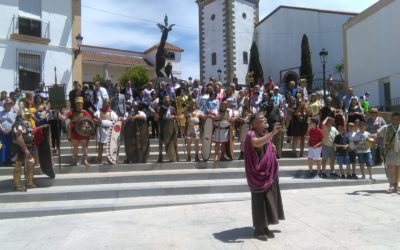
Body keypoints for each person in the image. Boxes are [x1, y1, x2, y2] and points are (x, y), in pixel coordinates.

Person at [244, 114, 284, 241]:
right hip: (258, 174)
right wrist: (272, 134)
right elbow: (257, 144)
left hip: (269, 172)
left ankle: (265, 226)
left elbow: (268, 147)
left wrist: (273, 148)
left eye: (265, 118)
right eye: (262, 118)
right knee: (259, 201)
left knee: (269, 198)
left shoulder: (265, 133)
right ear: (254, 123)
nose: (265, 119)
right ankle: (258, 229)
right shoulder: (251, 134)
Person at [11, 110, 38, 191]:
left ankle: (29, 183)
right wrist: (25, 150)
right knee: (18, 165)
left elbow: (31, 132)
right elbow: (19, 138)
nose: (29, 116)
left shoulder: (27, 123)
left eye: (29, 114)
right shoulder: (18, 124)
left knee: (31, 163)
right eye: (27, 114)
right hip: (19, 148)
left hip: (28, 147)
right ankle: (17, 185)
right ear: (22, 115)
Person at [376, 112, 400, 193]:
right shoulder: (386, 127)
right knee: (390, 169)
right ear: (391, 119)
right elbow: (377, 134)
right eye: (394, 119)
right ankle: (392, 185)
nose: (396, 120)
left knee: (398, 169)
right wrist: (370, 136)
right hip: (390, 151)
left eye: (398, 119)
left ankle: (397, 185)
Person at [65, 96, 92, 166]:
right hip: (75, 132)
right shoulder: (71, 112)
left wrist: (86, 125)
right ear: (75, 105)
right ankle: (74, 160)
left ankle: (85, 160)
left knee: (84, 147)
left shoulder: (85, 112)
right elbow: (65, 118)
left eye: (81, 104)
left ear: (82, 105)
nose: (79, 105)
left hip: (83, 133)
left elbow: (90, 121)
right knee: (75, 147)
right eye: (78, 104)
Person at [93, 99, 118, 164]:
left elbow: (116, 120)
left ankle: (109, 159)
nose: (107, 104)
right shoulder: (98, 112)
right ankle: (99, 158)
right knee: (100, 146)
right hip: (100, 131)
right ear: (103, 103)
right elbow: (93, 119)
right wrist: (96, 121)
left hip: (109, 131)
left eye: (108, 103)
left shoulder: (112, 113)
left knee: (109, 146)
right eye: (106, 103)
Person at [158, 96, 178, 162]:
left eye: (168, 101)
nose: (167, 102)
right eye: (166, 101)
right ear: (164, 101)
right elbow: (158, 118)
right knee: (161, 142)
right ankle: (160, 157)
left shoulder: (172, 108)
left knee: (174, 142)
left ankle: (175, 156)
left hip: (171, 127)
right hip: (162, 126)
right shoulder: (160, 108)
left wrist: (174, 116)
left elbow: (176, 116)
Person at [0, 99, 17, 165]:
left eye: (10, 103)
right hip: (1, 132)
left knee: (9, 146)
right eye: (7, 103)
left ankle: (8, 161)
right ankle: (1, 161)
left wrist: (10, 129)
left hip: (10, 132)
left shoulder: (14, 113)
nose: (9, 104)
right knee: (1, 146)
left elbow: (14, 123)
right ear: (4, 105)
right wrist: (2, 129)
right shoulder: (0, 113)